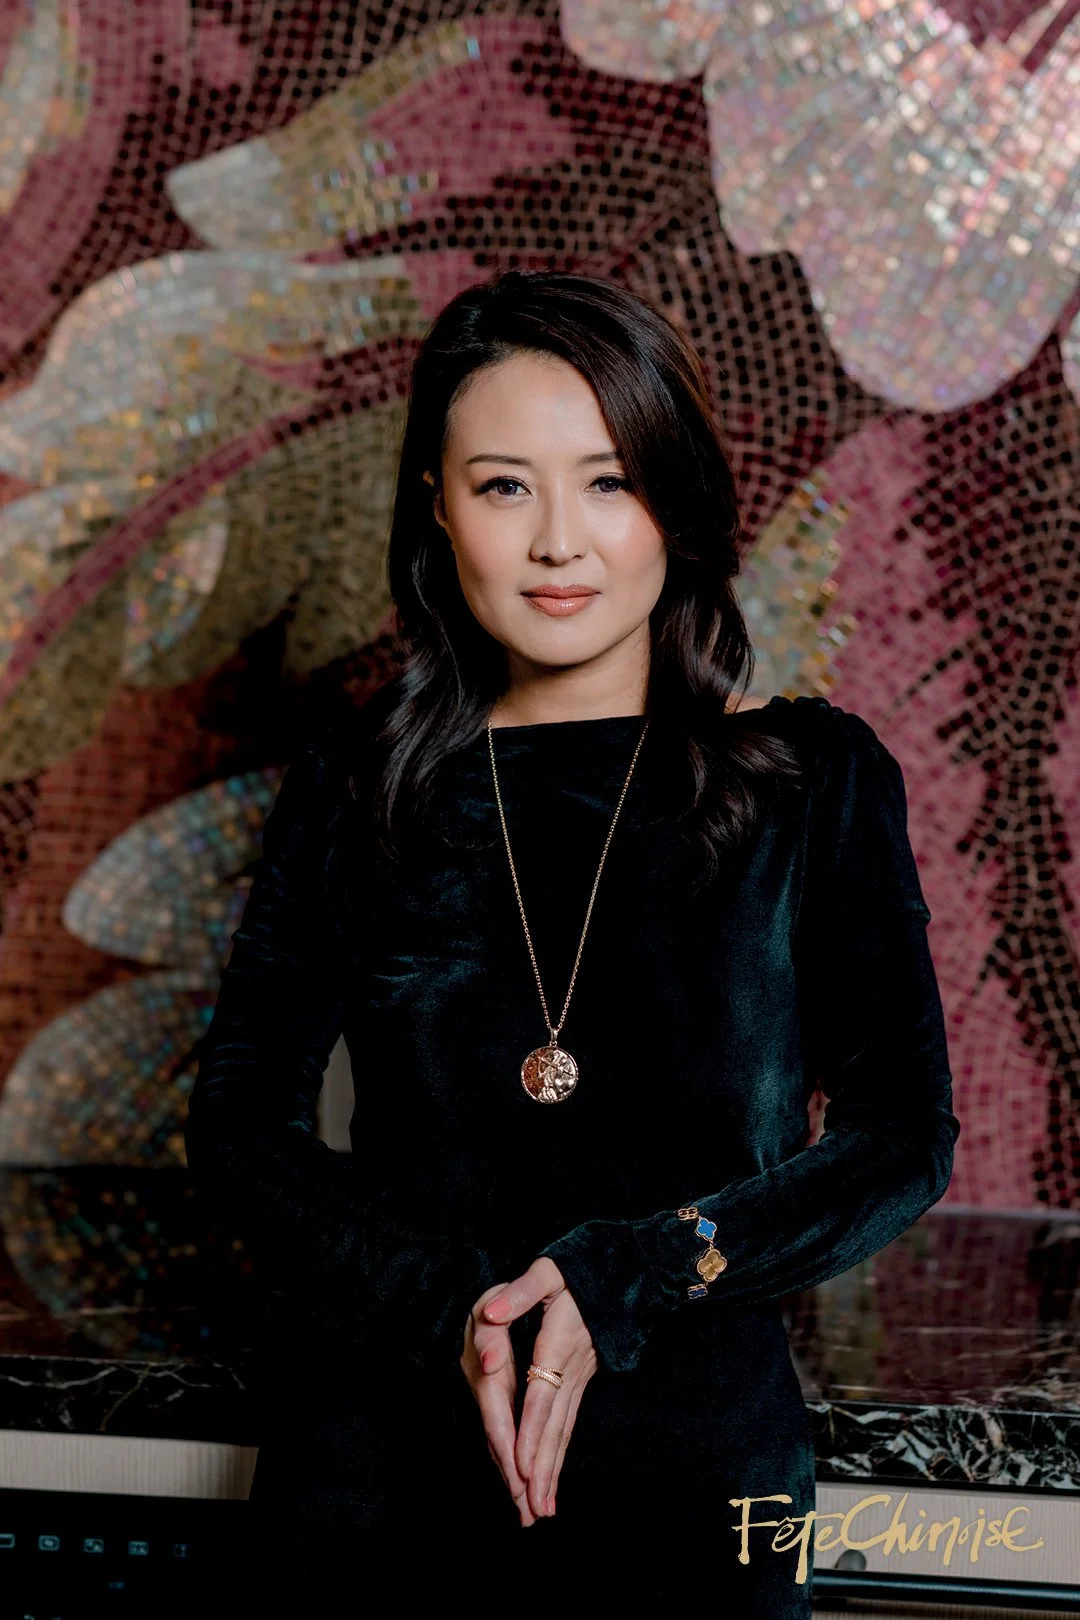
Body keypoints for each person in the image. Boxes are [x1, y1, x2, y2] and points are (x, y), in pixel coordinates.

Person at [184, 268, 960, 1615]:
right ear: (437, 505)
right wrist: (457, 1309)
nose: (559, 542)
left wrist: (631, 1274)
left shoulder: (808, 781)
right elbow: (239, 1124)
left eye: (609, 481)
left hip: (694, 1478)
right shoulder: (361, 784)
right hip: (380, 1477)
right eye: (504, 486)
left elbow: (902, 1134)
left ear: (676, 499)